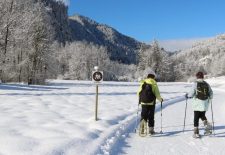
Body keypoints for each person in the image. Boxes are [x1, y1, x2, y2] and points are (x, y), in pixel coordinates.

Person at [185, 71, 213, 138]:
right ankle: (206, 125)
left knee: (196, 117)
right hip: (205, 103)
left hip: (197, 103)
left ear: (197, 76)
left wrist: (187, 95)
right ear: (203, 77)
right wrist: (208, 99)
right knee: (202, 115)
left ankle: (196, 132)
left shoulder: (195, 84)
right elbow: (211, 94)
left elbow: (191, 93)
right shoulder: (206, 84)